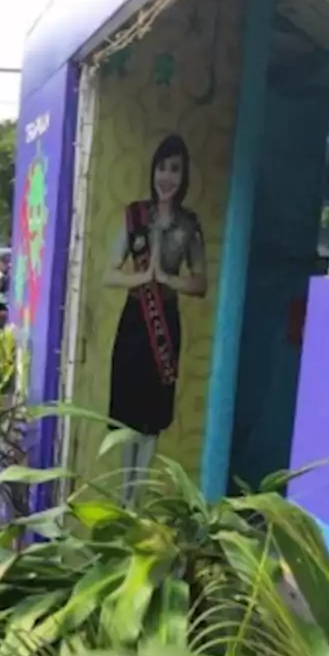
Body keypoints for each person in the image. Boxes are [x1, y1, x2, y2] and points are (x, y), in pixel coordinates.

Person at [103, 133, 207, 505]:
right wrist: (141, 278)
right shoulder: (135, 216)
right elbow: (108, 273)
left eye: (175, 169)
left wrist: (167, 280)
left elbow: (200, 282)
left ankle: (137, 500)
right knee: (128, 416)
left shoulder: (189, 224)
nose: (167, 177)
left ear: (184, 176)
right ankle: (123, 498)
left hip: (166, 326)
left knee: (152, 416)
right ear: (153, 171)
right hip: (134, 323)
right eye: (162, 168)